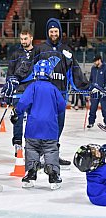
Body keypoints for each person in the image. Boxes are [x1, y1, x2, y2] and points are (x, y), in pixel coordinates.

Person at [37, 18, 89, 167]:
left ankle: (53, 155)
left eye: (56, 31)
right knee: (45, 125)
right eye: (51, 31)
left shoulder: (66, 50)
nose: (54, 33)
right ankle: (41, 155)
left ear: (60, 32)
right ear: (48, 32)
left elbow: (75, 71)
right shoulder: (40, 49)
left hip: (61, 95)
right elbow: (29, 70)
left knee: (59, 126)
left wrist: (87, 87)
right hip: (45, 96)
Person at [10, 60, 66, 189]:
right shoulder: (53, 88)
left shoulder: (32, 87)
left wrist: (16, 112)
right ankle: (53, 175)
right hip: (50, 127)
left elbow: (23, 103)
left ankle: (30, 173)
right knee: (51, 150)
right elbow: (62, 106)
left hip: (33, 126)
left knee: (31, 149)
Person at [4, 29, 39, 157]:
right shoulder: (15, 54)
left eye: (25, 39)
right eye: (21, 39)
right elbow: (10, 73)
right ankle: (18, 144)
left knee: (33, 119)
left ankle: (31, 145)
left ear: (31, 38)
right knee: (17, 119)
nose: (23, 41)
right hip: (18, 93)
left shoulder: (38, 53)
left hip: (33, 92)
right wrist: (8, 92)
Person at [87, 55, 106, 128]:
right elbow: (91, 80)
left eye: (95, 61)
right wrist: (90, 89)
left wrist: (104, 89)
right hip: (94, 92)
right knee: (93, 108)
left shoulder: (105, 68)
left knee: (104, 109)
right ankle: (91, 122)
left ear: (99, 60)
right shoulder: (93, 68)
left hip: (103, 92)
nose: (94, 63)